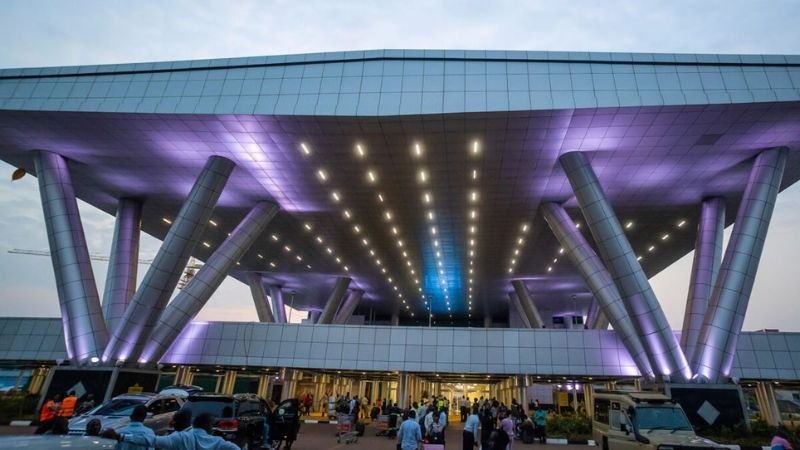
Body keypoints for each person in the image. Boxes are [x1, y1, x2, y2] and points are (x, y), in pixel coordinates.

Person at [103, 412, 239, 449]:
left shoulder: (180, 438)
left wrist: (120, 436)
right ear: (208, 426)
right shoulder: (219, 442)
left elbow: (152, 441)